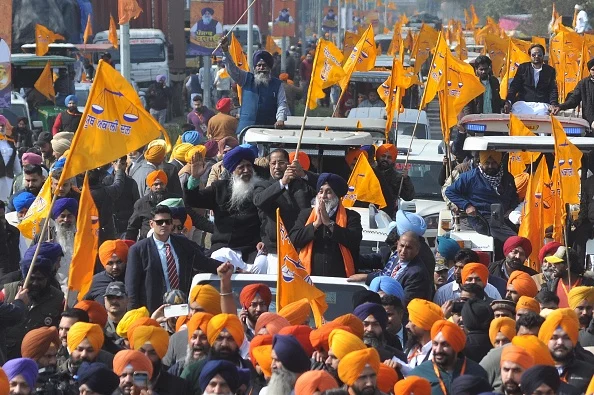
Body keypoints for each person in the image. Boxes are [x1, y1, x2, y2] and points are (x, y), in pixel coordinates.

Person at [125, 205, 220, 312]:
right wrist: (134, 316)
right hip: (154, 311)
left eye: (168, 222)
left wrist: (228, 268)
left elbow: (203, 262)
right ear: (152, 224)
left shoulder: (182, 243)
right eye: (160, 222)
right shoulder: (138, 250)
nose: (164, 225)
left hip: (182, 308)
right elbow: (131, 288)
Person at [186, 145, 262, 263]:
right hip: (223, 246)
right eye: (241, 167)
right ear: (232, 171)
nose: (246, 170)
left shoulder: (261, 188)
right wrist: (194, 178)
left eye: (249, 166)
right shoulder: (219, 188)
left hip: (252, 248)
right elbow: (194, 200)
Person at [290, 173, 362, 277]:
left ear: (337, 196)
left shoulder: (351, 216)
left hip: (340, 281)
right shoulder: (305, 214)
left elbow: (354, 240)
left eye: (328, 192)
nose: (323, 196)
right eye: (321, 191)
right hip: (308, 279)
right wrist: (315, 224)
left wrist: (329, 224)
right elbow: (293, 240)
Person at [252, 149, 313, 274]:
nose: (277, 167)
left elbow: (325, 187)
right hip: (275, 251)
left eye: (281, 163)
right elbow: (259, 201)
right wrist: (282, 183)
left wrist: (303, 173)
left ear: (289, 164)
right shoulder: (263, 185)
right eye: (273, 163)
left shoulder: (301, 184)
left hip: (301, 248)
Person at [445, 150, 519, 242]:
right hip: (481, 218)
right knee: (512, 239)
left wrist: (511, 209)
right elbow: (450, 191)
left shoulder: (507, 178)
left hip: (504, 217)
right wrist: (467, 205)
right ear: (480, 162)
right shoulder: (469, 177)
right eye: (487, 163)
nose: (490, 166)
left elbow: (514, 196)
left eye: (494, 163)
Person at [220, 36, 288, 132]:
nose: (261, 68)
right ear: (255, 68)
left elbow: (282, 103)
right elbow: (232, 69)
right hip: (247, 129)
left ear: (269, 68)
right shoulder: (246, 78)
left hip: (268, 129)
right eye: (259, 65)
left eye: (264, 65)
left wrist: (280, 119)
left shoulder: (277, 84)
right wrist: (225, 51)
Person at [2, 256, 64, 360]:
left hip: (40, 360)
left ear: (48, 278)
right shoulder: (7, 292)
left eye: (40, 279)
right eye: (32, 278)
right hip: (8, 357)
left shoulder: (58, 299)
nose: (35, 283)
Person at [409, 320, 488, 394]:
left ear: (455, 346)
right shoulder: (419, 374)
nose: (438, 350)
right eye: (435, 344)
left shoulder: (476, 372)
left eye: (445, 345)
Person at [539, 308, 594, 393]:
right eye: (554, 338)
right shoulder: (534, 370)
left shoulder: (589, 372)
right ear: (546, 340)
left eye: (567, 338)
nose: (560, 342)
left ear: (574, 340)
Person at [129, 325, 190, 395]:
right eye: (141, 351)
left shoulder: (179, 386)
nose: (146, 358)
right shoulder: (125, 383)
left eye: (152, 353)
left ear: (160, 355)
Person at [125, 170, 182, 240]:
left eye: (161, 184)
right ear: (150, 186)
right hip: (147, 243)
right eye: (155, 184)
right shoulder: (141, 203)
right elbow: (132, 228)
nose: (159, 187)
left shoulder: (175, 200)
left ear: (165, 184)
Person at [434, 250, 503, 306]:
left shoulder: (492, 292)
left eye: (462, 268)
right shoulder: (442, 293)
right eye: (455, 267)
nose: (456, 271)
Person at [503, 44, 558, 113]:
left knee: (543, 114)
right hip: (523, 103)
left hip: (541, 105)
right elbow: (514, 86)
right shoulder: (523, 68)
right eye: (534, 55)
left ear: (543, 55)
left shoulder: (550, 70)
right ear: (530, 55)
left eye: (539, 55)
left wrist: (553, 104)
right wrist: (509, 101)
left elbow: (552, 89)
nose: (536, 57)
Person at [402, 299, 444, 373]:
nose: (407, 326)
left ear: (423, 325)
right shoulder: (411, 347)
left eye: (411, 321)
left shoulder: (439, 353)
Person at [552, 58, 594, 130]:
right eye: (593, 70)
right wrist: (560, 107)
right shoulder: (584, 83)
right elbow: (574, 99)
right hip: (590, 122)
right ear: (589, 70)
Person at [374, 144, 415, 218]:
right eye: (383, 156)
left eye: (389, 157)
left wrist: (405, 179)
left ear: (393, 160)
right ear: (378, 156)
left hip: (387, 215)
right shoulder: (370, 173)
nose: (385, 159)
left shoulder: (397, 177)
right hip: (370, 211)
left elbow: (408, 196)